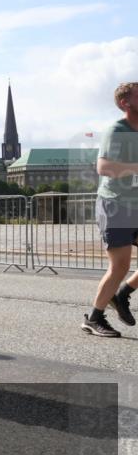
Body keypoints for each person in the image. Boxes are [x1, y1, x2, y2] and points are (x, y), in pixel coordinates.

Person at [85, 82, 138, 337]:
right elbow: (104, 167)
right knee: (120, 265)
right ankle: (94, 318)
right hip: (116, 204)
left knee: (122, 269)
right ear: (125, 103)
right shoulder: (116, 131)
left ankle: (124, 293)